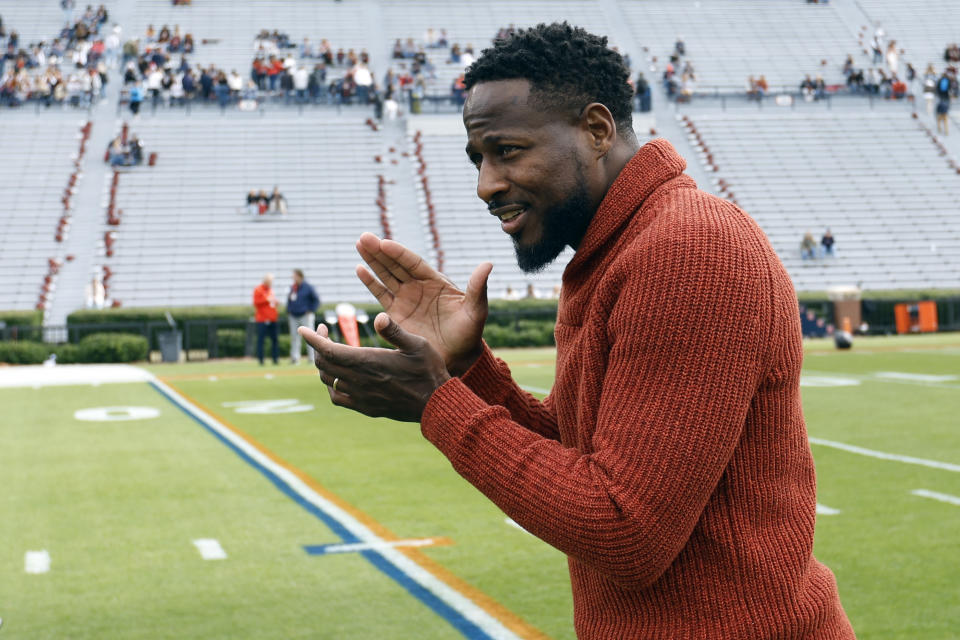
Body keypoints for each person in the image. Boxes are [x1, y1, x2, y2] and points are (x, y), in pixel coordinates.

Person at [299, 23, 854, 639]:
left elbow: (626, 530)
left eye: (508, 151)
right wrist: (466, 369)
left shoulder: (691, 248)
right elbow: (580, 457)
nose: (486, 184)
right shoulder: (616, 249)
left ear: (596, 129)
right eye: (477, 159)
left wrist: (439, 404)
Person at [286, 269, 320, 364]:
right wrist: (289, 310)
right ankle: (295, 358)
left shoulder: (308, 287)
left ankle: (312, 358)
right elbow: (289, 300)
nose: (293, 278)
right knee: (294, 337)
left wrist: (310, 310)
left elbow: (316, 300)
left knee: (310, 337)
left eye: (295, 276)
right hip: (293, 316)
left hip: (305, 315)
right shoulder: (293, 288)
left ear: (300, 276)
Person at [253, 273, 279, 365]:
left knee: (275, 340)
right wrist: (266, 300)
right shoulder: (258, 289)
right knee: (261, 340)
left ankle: (275, 359)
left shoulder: (271, 290)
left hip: (273, 319)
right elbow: (256, 302)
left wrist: (275, 302)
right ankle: (261, 360)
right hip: (262, 319)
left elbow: (272, 302)